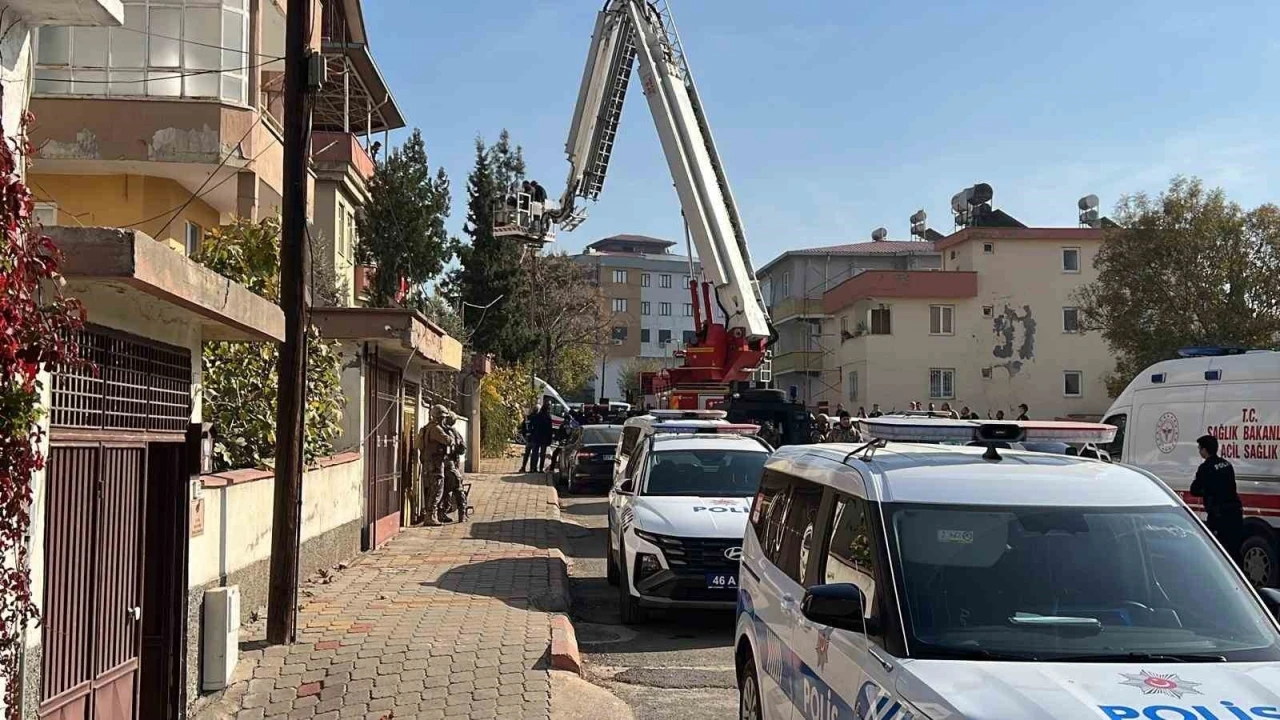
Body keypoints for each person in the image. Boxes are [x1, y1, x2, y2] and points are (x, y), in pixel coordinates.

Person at [1190, 434, 1244, 563]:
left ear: (1204, 450)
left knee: (1219, 552)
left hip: (1219, 516)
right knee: (1234, 550)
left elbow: (1194, 490)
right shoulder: (1227, 464)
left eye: (1200, 449)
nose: (1199, 451)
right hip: (1235, 513)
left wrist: (1206, 491)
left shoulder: (1205, 468)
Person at [418, 405, 454, 526]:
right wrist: (450, 434)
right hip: (435, 464)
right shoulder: (436, 429)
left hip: (429, 462)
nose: (445, 420)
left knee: (432, 489)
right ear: (440, 417)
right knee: (437, 489)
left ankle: (431, 515)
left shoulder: (427, 428)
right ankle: (430, 516)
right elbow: (448, 441)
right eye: (444, 418)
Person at [440, 411, 466, 522]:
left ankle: (442, 513)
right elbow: (462, 448)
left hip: (440, 465)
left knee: (444, 491)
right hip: (449, 465)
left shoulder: (437, 429)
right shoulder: (450, 432)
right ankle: (462, 514)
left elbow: (461, 448)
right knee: (457, 488)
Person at [531, 401, 555, 473]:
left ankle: (533, 468)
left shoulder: (537, 416)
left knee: (535, 453)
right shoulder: (548, 417)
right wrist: (550, 440)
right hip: (544, 438)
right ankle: (541, 469)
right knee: (542, 454)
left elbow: (533, 426)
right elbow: (550, 430)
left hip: (536, 437)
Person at [519, 406, 538, 473]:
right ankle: (532, 468)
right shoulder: (537, 418)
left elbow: (523, 427)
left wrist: (525, 435)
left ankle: (523, 467)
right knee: (534, 454)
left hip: (528, 438)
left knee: (527, 453)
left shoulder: (527, 418)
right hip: (535, 438)